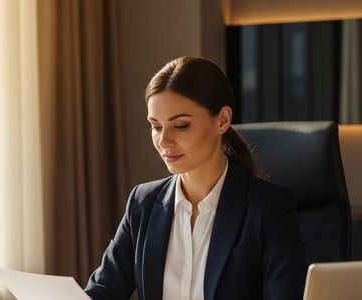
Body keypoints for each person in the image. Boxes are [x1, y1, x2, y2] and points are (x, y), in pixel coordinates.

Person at [84, 56, 307, 299]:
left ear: (222, 120)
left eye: (180, 126)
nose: (163, 141)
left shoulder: (269, 208)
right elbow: (101, 293)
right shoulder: (143, 203)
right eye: (156, 126)